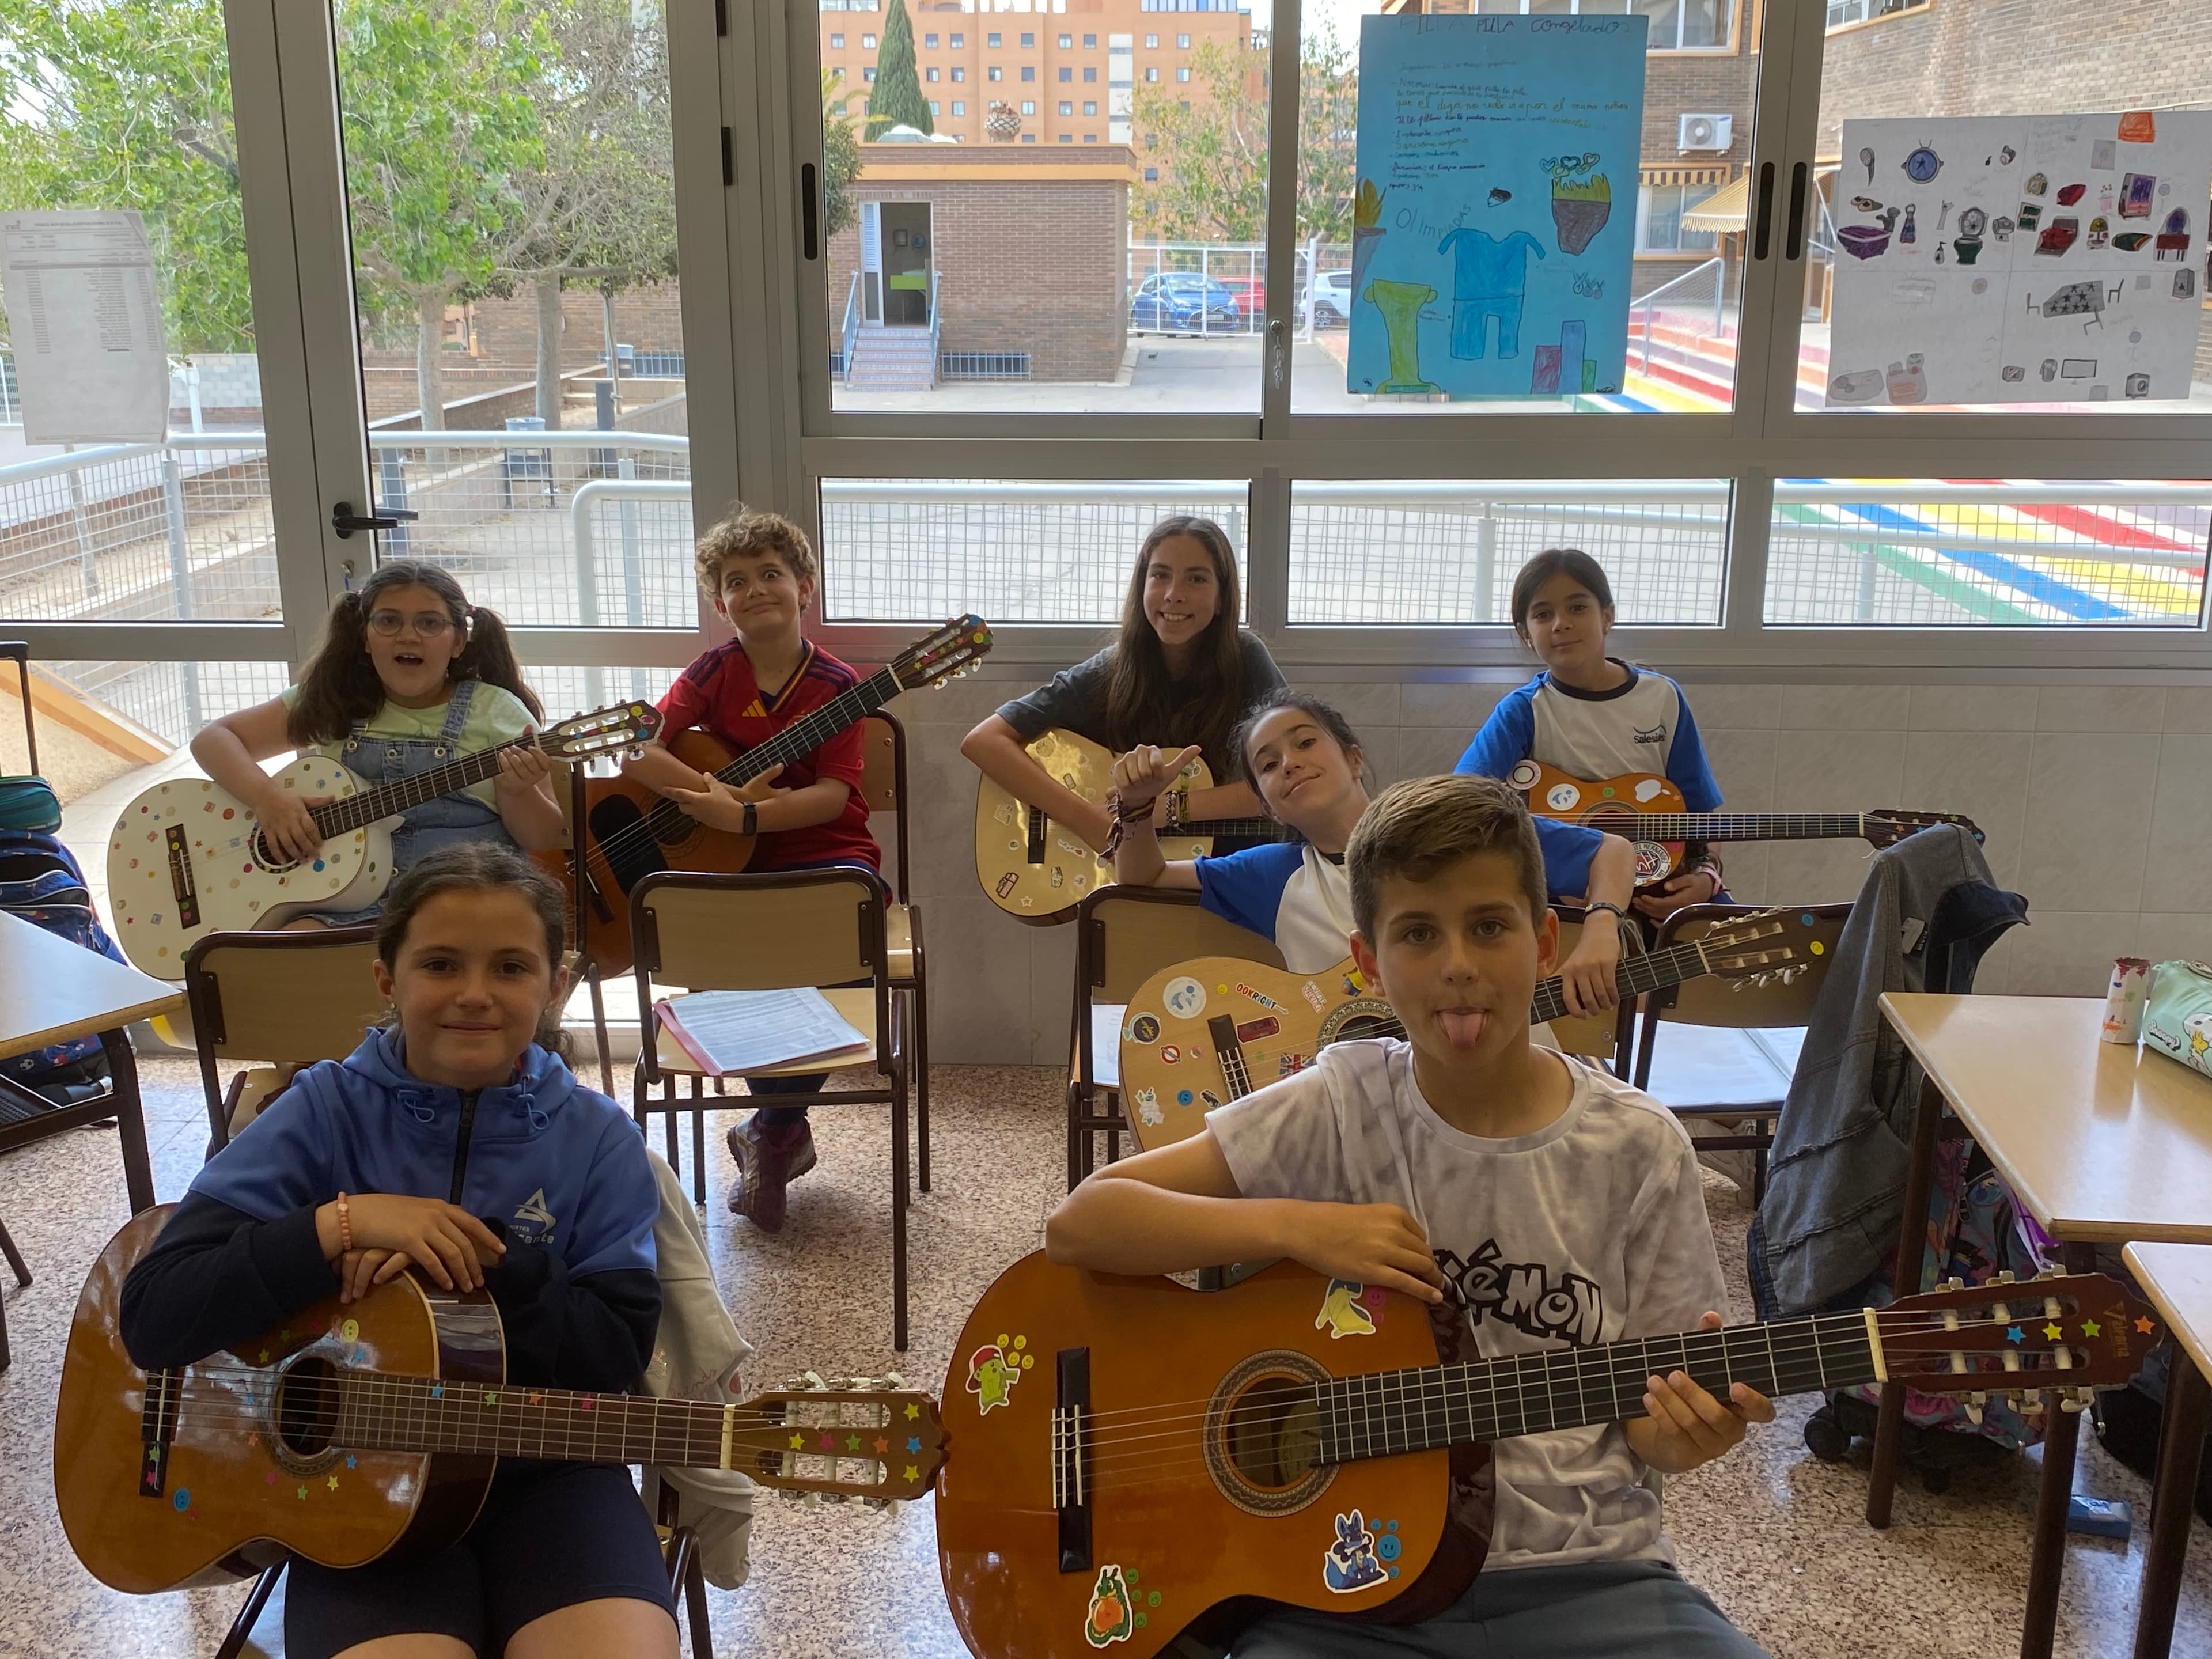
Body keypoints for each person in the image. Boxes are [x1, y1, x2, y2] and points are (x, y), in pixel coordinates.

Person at [1047, 774, 1774, 1659]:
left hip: (1587, 1575)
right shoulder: (1341, 1102)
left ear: (1545, 942)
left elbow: (1654, 1432)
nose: (1458, 964)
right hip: (1341, 1583)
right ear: (1368, 962)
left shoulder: (1640, 1146)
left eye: (1490, 927)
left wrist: (1693, 1434)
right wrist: (1294, 1228)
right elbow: (1083, 1221)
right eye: (1419, 933)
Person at [118, 844, 675, 1659]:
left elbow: (612, 1358)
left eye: (511, 967)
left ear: (556, 986)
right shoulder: (321, 1111)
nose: (474, 994)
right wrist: (341, 1226)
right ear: (387, 977)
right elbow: (155, 1315)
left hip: (551, 1476)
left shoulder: (599, 1140)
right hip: (356, 1487)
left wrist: (477, 1262)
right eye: (440, 964)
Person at [618, 507, 878, 1230]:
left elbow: (833, 795)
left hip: (824, 851)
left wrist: (750, 817)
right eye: (737, 581)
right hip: (732, 861)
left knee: (847, 949)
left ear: (805, 588)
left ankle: (771, 1125)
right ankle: (780, 1130)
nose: (756, 589)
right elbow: (640, 748)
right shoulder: (713, 671)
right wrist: (713, 796)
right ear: (719, 602)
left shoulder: (838, 683)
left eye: (771, 574)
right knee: (740, 957)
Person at [1109, 688, 1636, 1018]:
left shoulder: (1448, 816)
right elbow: (1144, 875)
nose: (1289, 763)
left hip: (1502, 1064)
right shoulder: (1273, 875)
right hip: (1368, 1093)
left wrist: (1601, 927)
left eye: (1305, 743)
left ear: (1355, 759)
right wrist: (1136, 807)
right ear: (1269, 808)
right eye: (1268, 765)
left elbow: (1612, 851)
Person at [191, 560, 566, 929]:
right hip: (345, 902)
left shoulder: (498, 712)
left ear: (458, 642)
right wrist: (268, 800)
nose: (408, 636)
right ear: (364, 638)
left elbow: (542, 835)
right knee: (282, 949)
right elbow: (212, 740)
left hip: (465, 903)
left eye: (430, 623)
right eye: (388, 621)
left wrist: (518, 792)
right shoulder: (333, 700)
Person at [961, 515, 1285, 856]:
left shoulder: (1247, 659)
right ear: (1142, 586)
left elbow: (1287, 775)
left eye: (1196, 579)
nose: (1174, 595)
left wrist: (1158, 810)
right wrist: (1086, 820)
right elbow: (983, 741)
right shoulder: (1112, 670)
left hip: (1232, 865)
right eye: (1160, 575)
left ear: (1222, 598)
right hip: (1127, 871)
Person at [1455, 548, 1724, 923]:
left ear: (1607, 616)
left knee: (1739, 944)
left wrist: (1708, 876)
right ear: (1526, 634)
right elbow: (1463, 802)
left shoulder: (1663, 697)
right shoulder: (1523, 711)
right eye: (1542, 614)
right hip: (1562, 897)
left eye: (1578, 607)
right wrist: (1561, 872)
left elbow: (1702, 816)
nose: (1561, 624)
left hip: (1659, 887)